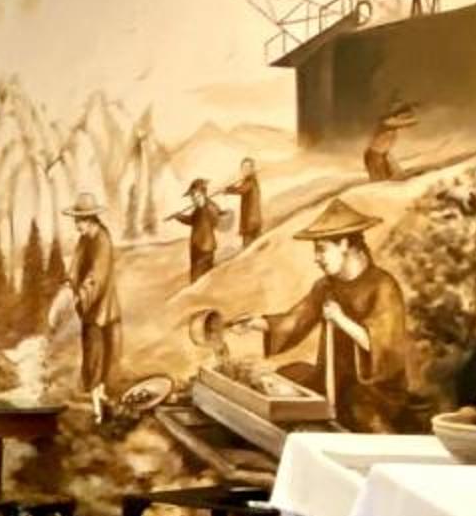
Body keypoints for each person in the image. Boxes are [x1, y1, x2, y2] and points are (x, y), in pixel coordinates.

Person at [228, 197, 414, 433]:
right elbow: (297, 319)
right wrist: (257, 323)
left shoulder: (383, 287)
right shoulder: (326, 286)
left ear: (344, 244)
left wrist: (340, 320)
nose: (316, 258)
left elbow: (383, 348)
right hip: (332, 379)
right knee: (286, 377)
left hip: (374, 390)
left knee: (360, 412)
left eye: (321, 249)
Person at [66, 193, 123, 408]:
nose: (76, 225)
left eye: (78, 220)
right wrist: (68, 284)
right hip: (89, 305)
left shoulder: (102, 240)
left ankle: (97, 398)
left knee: (97, 352)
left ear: (89, 219)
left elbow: (96, 277)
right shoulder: (85, 239)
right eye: (75, 220)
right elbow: (75, 265)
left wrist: (79, 295)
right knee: (91, 351)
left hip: (101, 307)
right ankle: (94, 395)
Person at [173, 176, 225, 282]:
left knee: (203, 279)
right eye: (192, 197)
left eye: (196, 196)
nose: (194, 199)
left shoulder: (210, 207)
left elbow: (217, 221)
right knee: (195, 278)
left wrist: (212, 210)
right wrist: (179, 216)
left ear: (203, 194)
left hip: (206, 247)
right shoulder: (198, 209)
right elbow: (191, 220)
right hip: (196, 247)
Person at [232, 154, 264, 247]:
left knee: (249, 248)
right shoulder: (249, 180)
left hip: (250, 222)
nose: (245, 170)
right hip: (253, 221)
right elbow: (242, 189)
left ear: (252, 169)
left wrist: (227, 190)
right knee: (256, 247)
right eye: (243, 167)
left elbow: (241, 190)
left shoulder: (250, 181)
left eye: (247, 167)